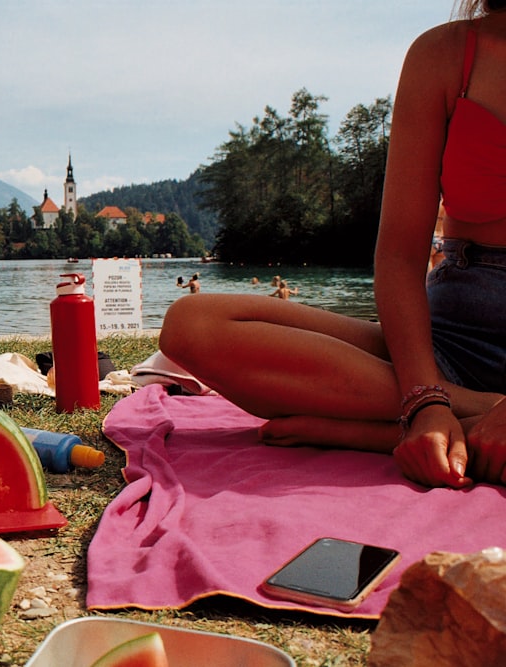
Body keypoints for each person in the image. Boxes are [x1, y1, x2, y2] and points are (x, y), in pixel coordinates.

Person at [159, 0, 506, 490]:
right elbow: (400, 256)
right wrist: (426, 397)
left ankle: (377, 429)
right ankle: (475, 411)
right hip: (446, 343)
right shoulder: (446, 55)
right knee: (191, 325)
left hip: (438, 364)